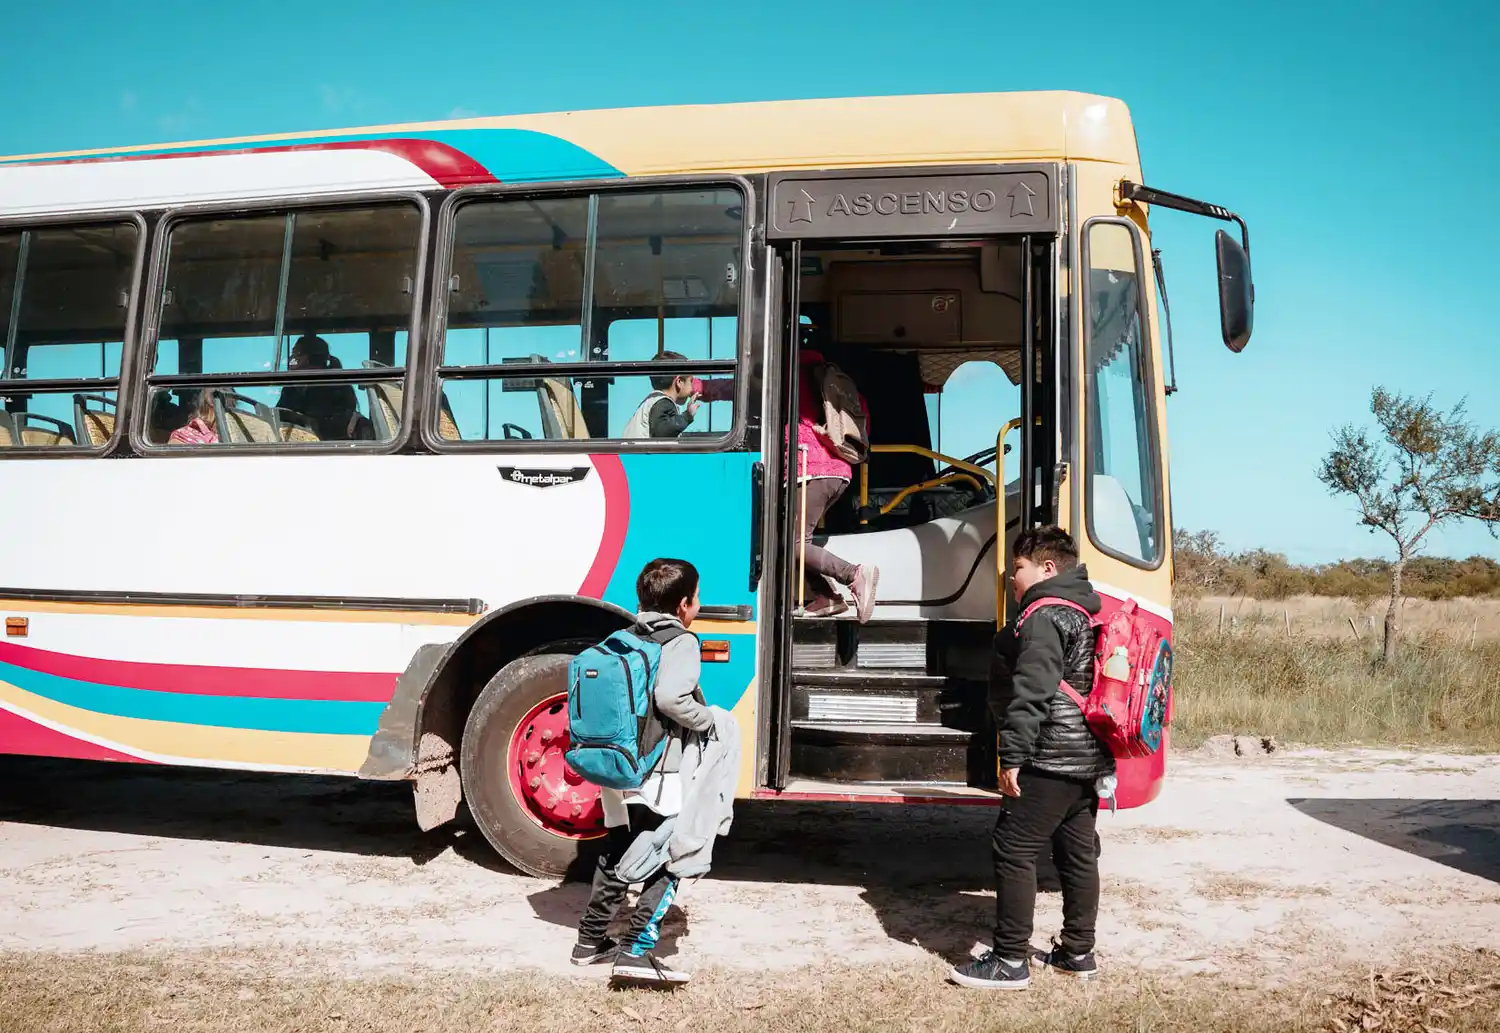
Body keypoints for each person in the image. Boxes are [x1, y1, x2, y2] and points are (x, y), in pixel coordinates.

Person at [949, 525, 1113, 990]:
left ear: (1047, 568)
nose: (1011, 578)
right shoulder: (1081, 610)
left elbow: (1032, 692)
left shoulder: (1043, 615)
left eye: (1017, 568)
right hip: (1086, 756)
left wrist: (1013, 755)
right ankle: (1077, 952)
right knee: (1077, 853)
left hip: (1050, 755)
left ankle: (1009, 961)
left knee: (1013, 847)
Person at [573, 557, 714, 987]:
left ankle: (589, 942)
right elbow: (671, 698)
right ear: (684, 604)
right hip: (658, 769)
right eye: (697, 597)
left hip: (618, 765)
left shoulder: (621, 637)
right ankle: (636, 949)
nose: (698, 604)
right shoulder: (681, 641)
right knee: (667, 854)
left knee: (619, 848)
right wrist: (707, 720)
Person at [793, 347, 878, 622]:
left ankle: (853, 574)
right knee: (790, 540)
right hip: (839, 471)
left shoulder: (788, 373)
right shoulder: (836, 379)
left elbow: (739, 389)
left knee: (794, 543)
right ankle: (825, 597)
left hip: (809, 468)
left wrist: (700, 386)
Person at [620, 351, 730, 439]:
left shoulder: (653, 400)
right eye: (691, 381)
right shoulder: (664, 403)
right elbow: (663, 432)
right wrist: (687, 416)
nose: (693, 386)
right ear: (679, 382)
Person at [276, 335, 360, 440]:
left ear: (308, 359)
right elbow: (280, 417)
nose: (290, 359)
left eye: (296, 354)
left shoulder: (331, 388)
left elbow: (319, 425)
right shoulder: (290, 389)